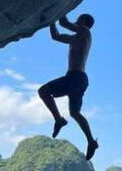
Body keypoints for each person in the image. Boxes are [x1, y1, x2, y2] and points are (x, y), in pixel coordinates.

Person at [38, 14, 99, 160]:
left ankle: (59, 120)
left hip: (75, 77)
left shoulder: (85, 32)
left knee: (43, 91)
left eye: (79, 18)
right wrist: (51, 22)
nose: (76, 20)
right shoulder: (75, 39)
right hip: (79, 79)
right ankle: (91, 141)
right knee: (75, 113)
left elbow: (64, 22)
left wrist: (60, 10)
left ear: (84, 22)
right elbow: (56, 36)